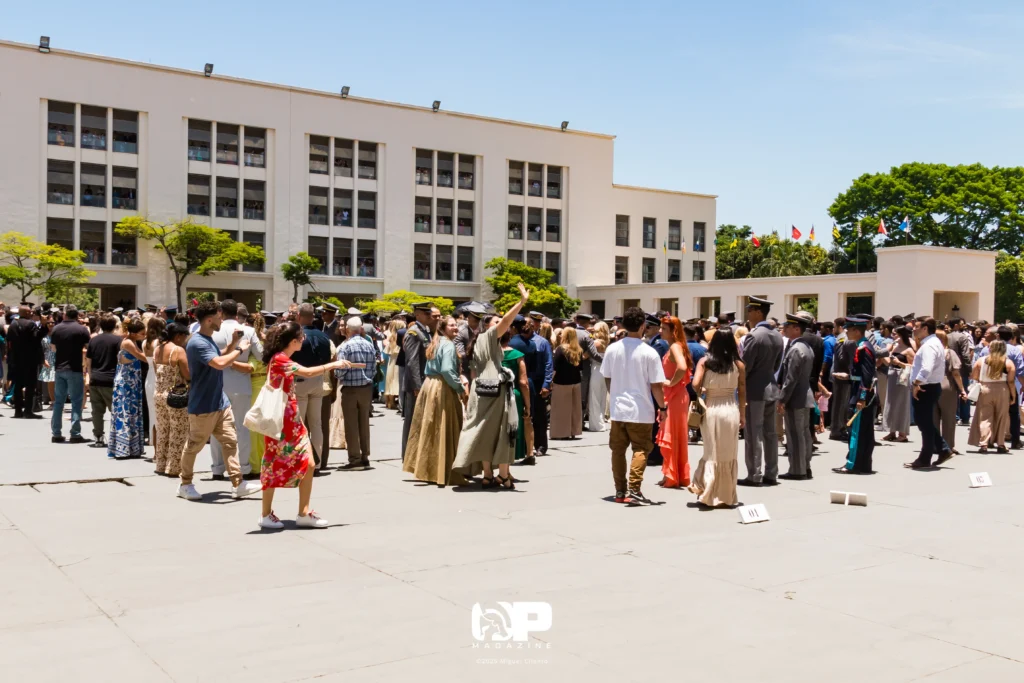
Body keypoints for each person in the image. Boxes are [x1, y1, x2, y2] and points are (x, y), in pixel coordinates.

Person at [258, 322, 351, 529]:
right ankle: (266, 514)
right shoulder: (280, 359)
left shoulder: (282, 358)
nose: (304, 339)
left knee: (308, 464)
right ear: (293, 341)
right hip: (281, 423)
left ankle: (303, 512)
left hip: (292, 422)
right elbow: (307, 372)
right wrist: (333, 365)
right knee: (273, 465)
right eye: (301, 337)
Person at [177, 301, 264, 501]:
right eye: (218, 318)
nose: (221, 321)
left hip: (220, 402)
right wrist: (239, 350)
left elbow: (220, 355)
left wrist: (232, 344)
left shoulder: (207, 339)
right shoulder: (197, 342)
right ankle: (185, 484)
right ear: (209, 320)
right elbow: (219, 363)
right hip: (203, 404)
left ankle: (238, 483)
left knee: (230, 441)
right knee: (194, 445)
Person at [452, 283, 530, 489]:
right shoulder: (488, 336)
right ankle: (503, 475)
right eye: (495, 322)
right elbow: (507, 320)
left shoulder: (479, 340)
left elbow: (474, 372)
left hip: (481, 390)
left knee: (485, 432)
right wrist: (521, 302)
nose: (502, 325)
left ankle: (488, 474)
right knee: (502, 431)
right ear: (487, 325)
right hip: (494, 392)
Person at [600, 305, 667, 505]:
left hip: (618, 409)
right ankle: (635, 488)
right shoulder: (649, 352)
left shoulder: (612, 348)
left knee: (618, 450)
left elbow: (607, 377)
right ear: (643, 326)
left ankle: (620, 490)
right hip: (641, 409)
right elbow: (656, 385)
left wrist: (615, 394)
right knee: (641, 448)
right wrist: (663, 407)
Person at [403, 315, 468, 485]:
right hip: (441, 387)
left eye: (456, 325)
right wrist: (459, 388)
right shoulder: (448, 345)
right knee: (444, 428)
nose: (456, 328)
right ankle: (444, 471)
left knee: (431, 428)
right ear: (443, 328)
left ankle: (430, 470)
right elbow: (446, 370)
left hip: (429, 384)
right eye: (452, 325)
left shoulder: (436, 342)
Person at [688, 329, 745, 507]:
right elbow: (742, 390)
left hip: (711, 409)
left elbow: (695, 384)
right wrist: (742, 414)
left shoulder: (705, 362)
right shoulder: (738, 364)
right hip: (731, 410)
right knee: (728, 453)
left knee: (711, 452)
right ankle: (726, 495)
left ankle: (708, 491)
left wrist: (704, 388)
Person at [210, 300, 263, 479]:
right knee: (242, 427)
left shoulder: (214, 331)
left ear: (221, 312)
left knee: (217, 427)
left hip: (218, 383)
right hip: (241, 384)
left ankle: (218, 468)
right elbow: (261, 355)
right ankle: (244, 467)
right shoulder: (248, 331)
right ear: (237, 313)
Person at [739, 296, 783, 487]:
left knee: (753, 433)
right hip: (771, 388)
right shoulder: (777, 335)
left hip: (755, 389)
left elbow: (745, 366)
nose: (748, 314)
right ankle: (771, 473)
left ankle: (754, 474)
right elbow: (776, 365)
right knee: (770, 434)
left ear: (758, 312)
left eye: (750, 310)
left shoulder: (754, 336)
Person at [906, 317, 954, 469]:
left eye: (916, 326)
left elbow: (927, 368)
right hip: (928, 386)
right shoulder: (932, 343)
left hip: (925, 387)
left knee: (924, 423)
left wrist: (916, 383)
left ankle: (925, 458)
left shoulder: (929, 345)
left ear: (925, 328)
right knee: (924, 422)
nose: (913, 329)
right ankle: (942, 449)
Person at [833, 316, 878, 475]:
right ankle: (864, 464)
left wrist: (862, 397)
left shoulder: (863, 348)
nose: (846, 332)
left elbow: (867, 375)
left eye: (849, 330)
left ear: (857, 331)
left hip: (860, 393)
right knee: (864, 431)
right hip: (858, 389)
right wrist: (848, 376)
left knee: (857, 432)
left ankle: (853, 464)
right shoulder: (862, 346)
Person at [290, 303, 331, 470]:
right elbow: (328, 358)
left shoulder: (296, 336)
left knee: (299, 424)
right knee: (316, 424)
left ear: (299, 315)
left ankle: (301, 462)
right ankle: (317, 463)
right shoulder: (323, 336)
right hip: (318, 379)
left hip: (300, 379)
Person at [656, 316, 693, 488]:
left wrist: (671, 383)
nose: (660, 331)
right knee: (676, 434)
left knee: (671, 433)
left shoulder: (675, 347)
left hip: (675, 396)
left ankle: (672, 476)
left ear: (673, 331)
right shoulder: (678, 345)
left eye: (664, 329)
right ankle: (675, 474)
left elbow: (682, 367)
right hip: (677, 395)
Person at [510, 312, 554, 458]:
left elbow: (548, 364)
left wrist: (546, 384)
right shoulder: (516, 341)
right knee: (524, 415)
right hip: (520, 381)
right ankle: (525, 446)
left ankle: (540, 445)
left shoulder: (542, 342)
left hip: (537, 383)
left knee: (539, 416)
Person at [777, 314, 815, 480]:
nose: (784, 329)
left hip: (796, 397)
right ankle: (805, 467)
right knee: (803, 434)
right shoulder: (805, 347)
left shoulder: (795, 349)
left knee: (795, 435)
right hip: (804, 395)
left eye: (788, 326)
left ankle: (797, 470)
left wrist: (782, 399)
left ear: (797, 329)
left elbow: (790, 379)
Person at [336, 317, 376, 470]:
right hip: (366, 388)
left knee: (351, 425)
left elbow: (340, 370)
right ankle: (365, 456)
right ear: (360, 328)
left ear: (348, 329)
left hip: (351, 388)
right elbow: (373, 368)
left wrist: (339, 376)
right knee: (364, 423)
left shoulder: (346, 346)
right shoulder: (369, 345)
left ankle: (355, 459)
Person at [402, 303, 440, 458]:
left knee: (421, 419)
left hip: (424, 381)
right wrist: (417, 385)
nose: (430, 316)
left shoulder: (425, 331)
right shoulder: (414, 332)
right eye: (426, 314)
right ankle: (407, 454)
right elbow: (412, 361)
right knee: (412, 420)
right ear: (417, 315)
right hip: (416, 385)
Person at [49, 305, 91, 443]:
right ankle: (75, 433)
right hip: (74, 368)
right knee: (76, 401)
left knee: (58, 402)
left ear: (65, 315)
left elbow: (53, 348)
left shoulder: (56, 329)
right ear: (77, 316)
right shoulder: (82, 329)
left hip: (60, 368)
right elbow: (88, 348)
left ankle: (56, 433)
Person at [153, 323, 189, 477]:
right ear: (178, 336)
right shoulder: (177, 350)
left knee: (163, 430)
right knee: (178, 431)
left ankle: (161, 465)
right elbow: (187, 374)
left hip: (158, 393)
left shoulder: (157, 349)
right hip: (175, 395)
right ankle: (174, 467)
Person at [109, 317, 147, 459]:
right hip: (126, 383)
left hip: (131, 382)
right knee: (125, 412)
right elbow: (142, 357)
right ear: (135, 333)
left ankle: (131, 448)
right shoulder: (128, 343)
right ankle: (123, 449)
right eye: (142, 333)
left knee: (131, 412)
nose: (144, 336)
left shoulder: (132, 341)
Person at [968, 339, 1015, 453]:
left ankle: (984, 444)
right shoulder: (1008, 362)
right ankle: (1000, 444)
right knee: (1001, 417)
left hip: (985, 389)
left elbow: (974, 376)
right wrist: (1013, 395)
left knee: (985, 417)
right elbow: (1011, 381)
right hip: (1002, 389)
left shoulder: (981, 361)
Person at [85, 314, 122, 446]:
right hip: (111, 379)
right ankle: (117, 437)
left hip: (96, 378)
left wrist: (90, 376)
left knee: (97, 411)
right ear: (115, 326)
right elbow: (120, 360)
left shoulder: (93, 340)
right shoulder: (118, 340)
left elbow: (88, 361)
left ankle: (98, 437)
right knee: (116, 411)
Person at [6, 304, 43, 418]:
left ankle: (18, 410)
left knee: (18, 385)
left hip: (16, 359)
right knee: (30, 385)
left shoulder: (13, 324)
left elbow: (9, 341)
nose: (32, 313)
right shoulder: (30, 324)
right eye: (30, 312)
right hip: (30, 359)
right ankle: (28, 410)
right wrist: (44, 328)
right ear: (27, 313)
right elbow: (37, 338)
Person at [935, 330, 967, 455]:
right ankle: (947, 445)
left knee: (933, 417)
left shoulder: (928, 352)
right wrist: (962, 389)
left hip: (930, 384)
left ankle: (934, 444)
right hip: (946, 384)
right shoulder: (949, 352)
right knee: (948, 417)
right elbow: (955, 372)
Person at [501, 326, 530, 461]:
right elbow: (523, 382)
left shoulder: (491, 354)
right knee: (513, 426)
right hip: (513, 393)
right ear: (510, 338)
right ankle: (511, 457)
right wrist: (528, 406)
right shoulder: (518, 355)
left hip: (494, 393)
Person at [550, 327, 584, 439]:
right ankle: (574, 431)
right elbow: (580, 368)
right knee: (575, 408)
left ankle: (562, 432)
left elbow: (555, 368)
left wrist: (550, 381)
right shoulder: (579, 350)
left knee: (561, 409)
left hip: (561, 382)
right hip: (576, 381)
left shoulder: (560, 349)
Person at [882, 326, 914, 443]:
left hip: (902, 378)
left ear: (901, 335)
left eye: (895, 334)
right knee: (891, 403)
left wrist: (899, 363)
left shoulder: (909, 350)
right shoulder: (895, 347)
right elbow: (887, 362)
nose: (892, 336)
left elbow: (913, 366)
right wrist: (884, 353)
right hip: (892, 377)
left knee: (901, 404)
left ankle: (902, 433)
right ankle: (891, 431)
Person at [996, 325, 1024, 449]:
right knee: (1013, 413)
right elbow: (1020, 371)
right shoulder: (1014, 351)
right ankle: (1015, 440)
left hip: (991, 383)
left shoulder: (988, 349)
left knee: (992, 412)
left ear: (998, 335)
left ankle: (989, 440)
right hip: (1008, 384)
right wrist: (1023, 385)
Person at [142, 316, 164, 446]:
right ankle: (159, 442)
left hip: (149, 377)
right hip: (157, 376)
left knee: (152, 411)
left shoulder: (145, 342)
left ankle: (152, 439)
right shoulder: (158, 343)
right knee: (160, 413)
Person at [587, 321, 611, 432]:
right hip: (604, 371)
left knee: (594, 397)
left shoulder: (596, 343)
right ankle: (600, 422)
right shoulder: (607, 342)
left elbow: (585, 355)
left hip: (596, 369)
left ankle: (597, 424)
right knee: (602, 397)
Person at [383, 318, 405, 410]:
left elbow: (386, 350)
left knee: (390, 380)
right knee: (397, 380)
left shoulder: (390, 337)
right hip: (398, 359)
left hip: (391, 360)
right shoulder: (400, 337)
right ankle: (398, 401)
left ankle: (390, 401)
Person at [38, 317, 55, 407]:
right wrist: (43, 359)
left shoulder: (58, 333)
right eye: (48, 323)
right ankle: (53, 401)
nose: (51, 324)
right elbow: (40, 348)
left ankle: (59, 401)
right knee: (50, 380)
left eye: (53, 322)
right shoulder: (42, 333)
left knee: (58, 381)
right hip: (47, 358)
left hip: (59, 358)